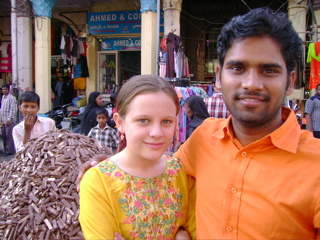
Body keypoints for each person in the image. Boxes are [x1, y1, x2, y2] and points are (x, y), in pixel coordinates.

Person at [175, 7, 320, 239]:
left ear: (290, 82)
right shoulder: (204, 138)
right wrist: (108, 168)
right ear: (219, 78)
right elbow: (160, 181)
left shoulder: (316, 165)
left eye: (269, 70)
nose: (251, 84)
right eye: (238, 68)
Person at [79, 75, 196, 240]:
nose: (156, 133)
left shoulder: (183, 173)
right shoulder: (98, 182)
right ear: (120, 122)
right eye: (143, 120)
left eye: (166, 121)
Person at [0, 83, 17, 156]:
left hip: (9, 120)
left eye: (5, 89)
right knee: (4, 136)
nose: (4, 90)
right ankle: (5, 150)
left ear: (8, 90)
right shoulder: (3, 97)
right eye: (3, 89)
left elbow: (13, 109)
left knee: (9, 136)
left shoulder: (12, 98)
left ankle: (10, 151)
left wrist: (9, 119)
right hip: (3, 120)